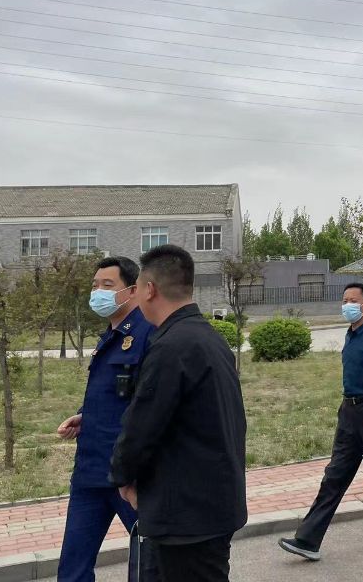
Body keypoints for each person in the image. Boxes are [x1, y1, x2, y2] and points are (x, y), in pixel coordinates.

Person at [109, 245, 247, 582]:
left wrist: (122, 477)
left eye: (137, 288)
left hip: (186, 515)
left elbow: (142, 426)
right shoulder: (209, 338)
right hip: (211, 503)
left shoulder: (171, 347)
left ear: (150, 289)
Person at [279, 282, 363, 561]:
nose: (347, 306)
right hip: (349, 413)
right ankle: (307, 539)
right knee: (335, 475)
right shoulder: (351, 334)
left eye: (353, 301)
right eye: (344, 301)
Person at [56, 256, 160, 582]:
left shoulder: (149, 334)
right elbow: (114, 394)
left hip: (127, 477)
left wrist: (135, 473)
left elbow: (150, 405)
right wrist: (84, 416)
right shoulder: (109, 336)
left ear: (132, 290)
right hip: (89, 472)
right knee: (72, 570)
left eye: (107, 285)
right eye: (94, 285)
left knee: (153, 566)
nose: (97, 292)